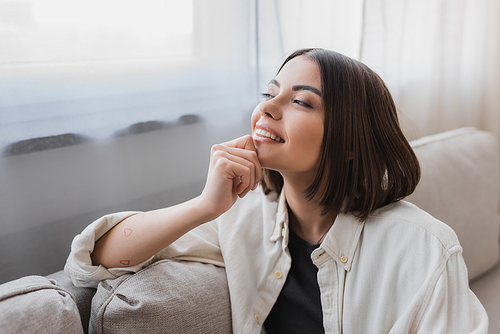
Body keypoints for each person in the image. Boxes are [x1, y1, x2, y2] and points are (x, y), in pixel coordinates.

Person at [65, 48, 488, 333]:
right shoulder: (243, 217)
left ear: (350, 143)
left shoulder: (423, 248)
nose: (267, 107)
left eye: (301, 102)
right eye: (269, 93)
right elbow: (93, 261)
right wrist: (204, 206)